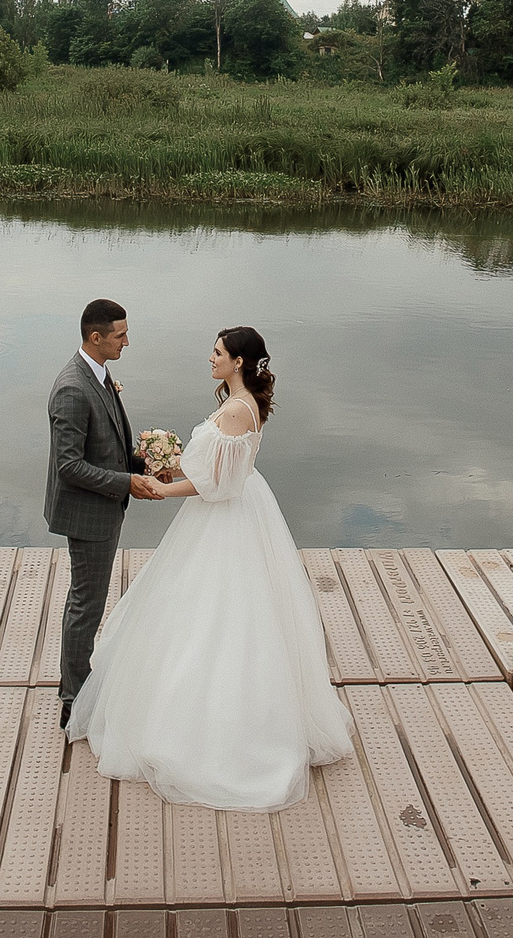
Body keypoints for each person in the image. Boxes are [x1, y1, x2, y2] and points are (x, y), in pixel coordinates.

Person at [65, 325, 353, 810]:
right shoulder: (238, 403)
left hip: (226, 517)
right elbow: (213, 470)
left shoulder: (239, 410)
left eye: (218, 353)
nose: (211, 358)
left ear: (238, 361)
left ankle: (216, 732)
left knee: (215, 616)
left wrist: (161, 488)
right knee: (201, 613)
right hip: (232, 509)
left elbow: (215, 485)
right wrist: (171, 466)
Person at [45, 297, 162, 725]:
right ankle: (73, 702)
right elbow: (69, 466)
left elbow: (104, 444)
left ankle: (77, 686)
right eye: (120, 336)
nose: (126, 342)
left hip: (104, 507)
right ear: (96, 337)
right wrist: (126, 483)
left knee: (87, 601)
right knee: (86, 605)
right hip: (88, 514)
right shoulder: (73, 389)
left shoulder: (99, 373)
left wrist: (143, 463)